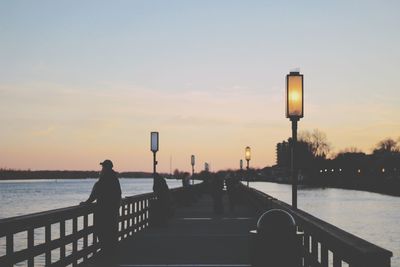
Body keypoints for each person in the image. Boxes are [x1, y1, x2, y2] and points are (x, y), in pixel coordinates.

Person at [80, 159, 121, 265]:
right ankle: (111, 254)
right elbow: (118, 195)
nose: (101, 169)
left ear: (106, 168)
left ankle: (106, 254)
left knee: (102, 232)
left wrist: (86, 203)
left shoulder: (102, 180)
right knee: (111, 233)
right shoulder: (115, 180)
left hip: (103, 212)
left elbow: (94, 195)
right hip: (113, 212)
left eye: (103, 167)